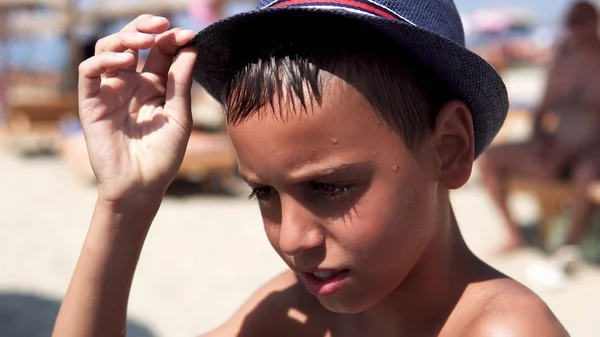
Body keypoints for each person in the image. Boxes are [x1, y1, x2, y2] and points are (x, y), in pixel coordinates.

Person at [53, 0, 569, 336]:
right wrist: (125, 201)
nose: (293, 239)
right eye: (264, 194)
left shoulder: (504, 329)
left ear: (450, 148)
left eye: (331, 186)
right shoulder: (294, 313)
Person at [479, 1, 600, 254]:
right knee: (489, 159)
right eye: (571, 23)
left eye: (580, 22)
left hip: (591, 151)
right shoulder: (563, 61)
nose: (575, 29)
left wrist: (573, 150)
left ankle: (569, 246)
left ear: (594, 23)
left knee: (588, 170)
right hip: (557, 146)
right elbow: (542, 110)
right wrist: (540, 143)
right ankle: (513, 234)